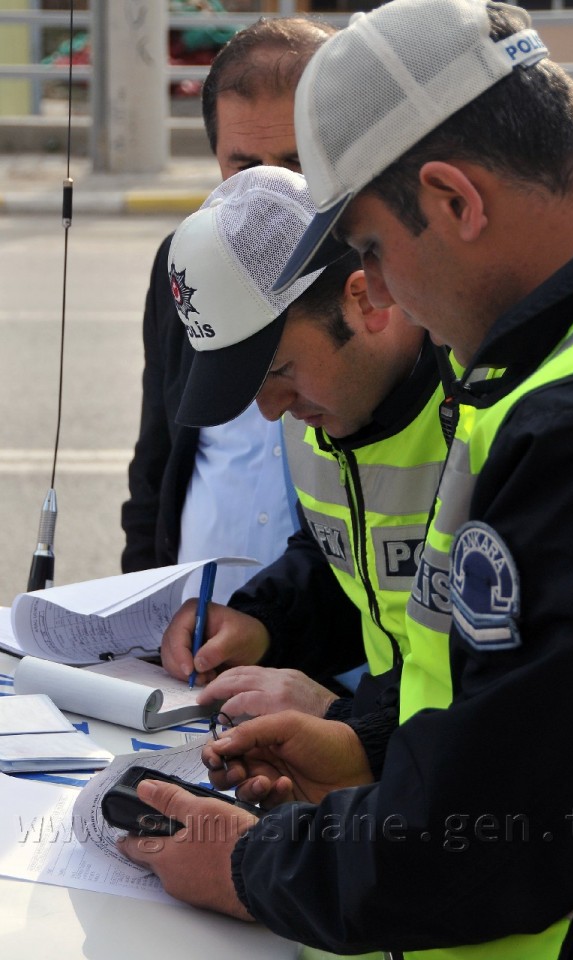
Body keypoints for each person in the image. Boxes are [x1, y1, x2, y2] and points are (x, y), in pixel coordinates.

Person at [121, 0, 573, 957]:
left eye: (367, 252)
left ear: (451, 201)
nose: (380, 296)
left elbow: (494, 837)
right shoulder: (551, 364)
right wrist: (371, 747)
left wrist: (244, 864)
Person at [161, 161, 453, 740]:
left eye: (281, 371)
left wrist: (345, 720)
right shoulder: (318, 409)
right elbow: (347, 562)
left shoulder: (481, 407)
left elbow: (511, 677)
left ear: (365, 300)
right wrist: (263, 621)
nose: (271, 410)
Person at [120, 16, 337, 607]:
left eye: (294, 166)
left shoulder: (391, 273)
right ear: (214, 154)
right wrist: (139, 606)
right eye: (245, 168)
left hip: (336, 658)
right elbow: (156, 455)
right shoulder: (182, 262)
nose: (270, 193)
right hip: (193, 637)